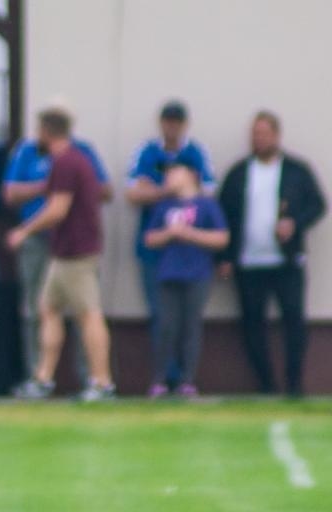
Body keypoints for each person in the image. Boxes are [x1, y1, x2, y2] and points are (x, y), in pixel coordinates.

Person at [7, 108, 114, 401]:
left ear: (47, 132)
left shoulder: (67, 162)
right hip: (62, 252)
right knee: (48, 309)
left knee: (89, 315)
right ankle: (43, 378)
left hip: (77, 253)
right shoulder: (67, 160)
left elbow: (57, 209)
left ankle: (102, 383)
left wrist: (23, 231)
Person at [219, 111, 326, 397]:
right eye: (255, 134)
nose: (259, 139)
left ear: (277, 136)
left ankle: (294, 384)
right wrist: (225, 257)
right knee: (253, 323)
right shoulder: (239, 173)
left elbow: (318, 204)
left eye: (264, 133)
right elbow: (225, 214)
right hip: (249, 262)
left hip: (286, 261)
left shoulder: (296, 170)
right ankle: (265, 384)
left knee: (293, 320)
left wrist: (295, 223)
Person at [123, 101, 216, 344]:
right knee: (160, 312)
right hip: (155, 245)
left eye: (177, 122)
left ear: (184, 125)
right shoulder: (147, 152)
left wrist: (155, 189)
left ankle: (186, 376)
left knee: (188, 314)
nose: (172, 127)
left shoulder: (196, 153)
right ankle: (164, 376)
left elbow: (208, 193)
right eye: (168, 121)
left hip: (190, 246)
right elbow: (132, 194)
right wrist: (169, 190)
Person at [141, 163, 227, 397]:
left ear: (191, 176)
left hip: (198, 274)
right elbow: (149, 238)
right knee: (166, 326)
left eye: (175, 172)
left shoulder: (206, 205)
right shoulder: (164, 206)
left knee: (191, 327)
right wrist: (169, 234)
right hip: (168, 273)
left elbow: (221, 237)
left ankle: (186, 380)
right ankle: (159, 380)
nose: (169, 177)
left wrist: (189, 234)